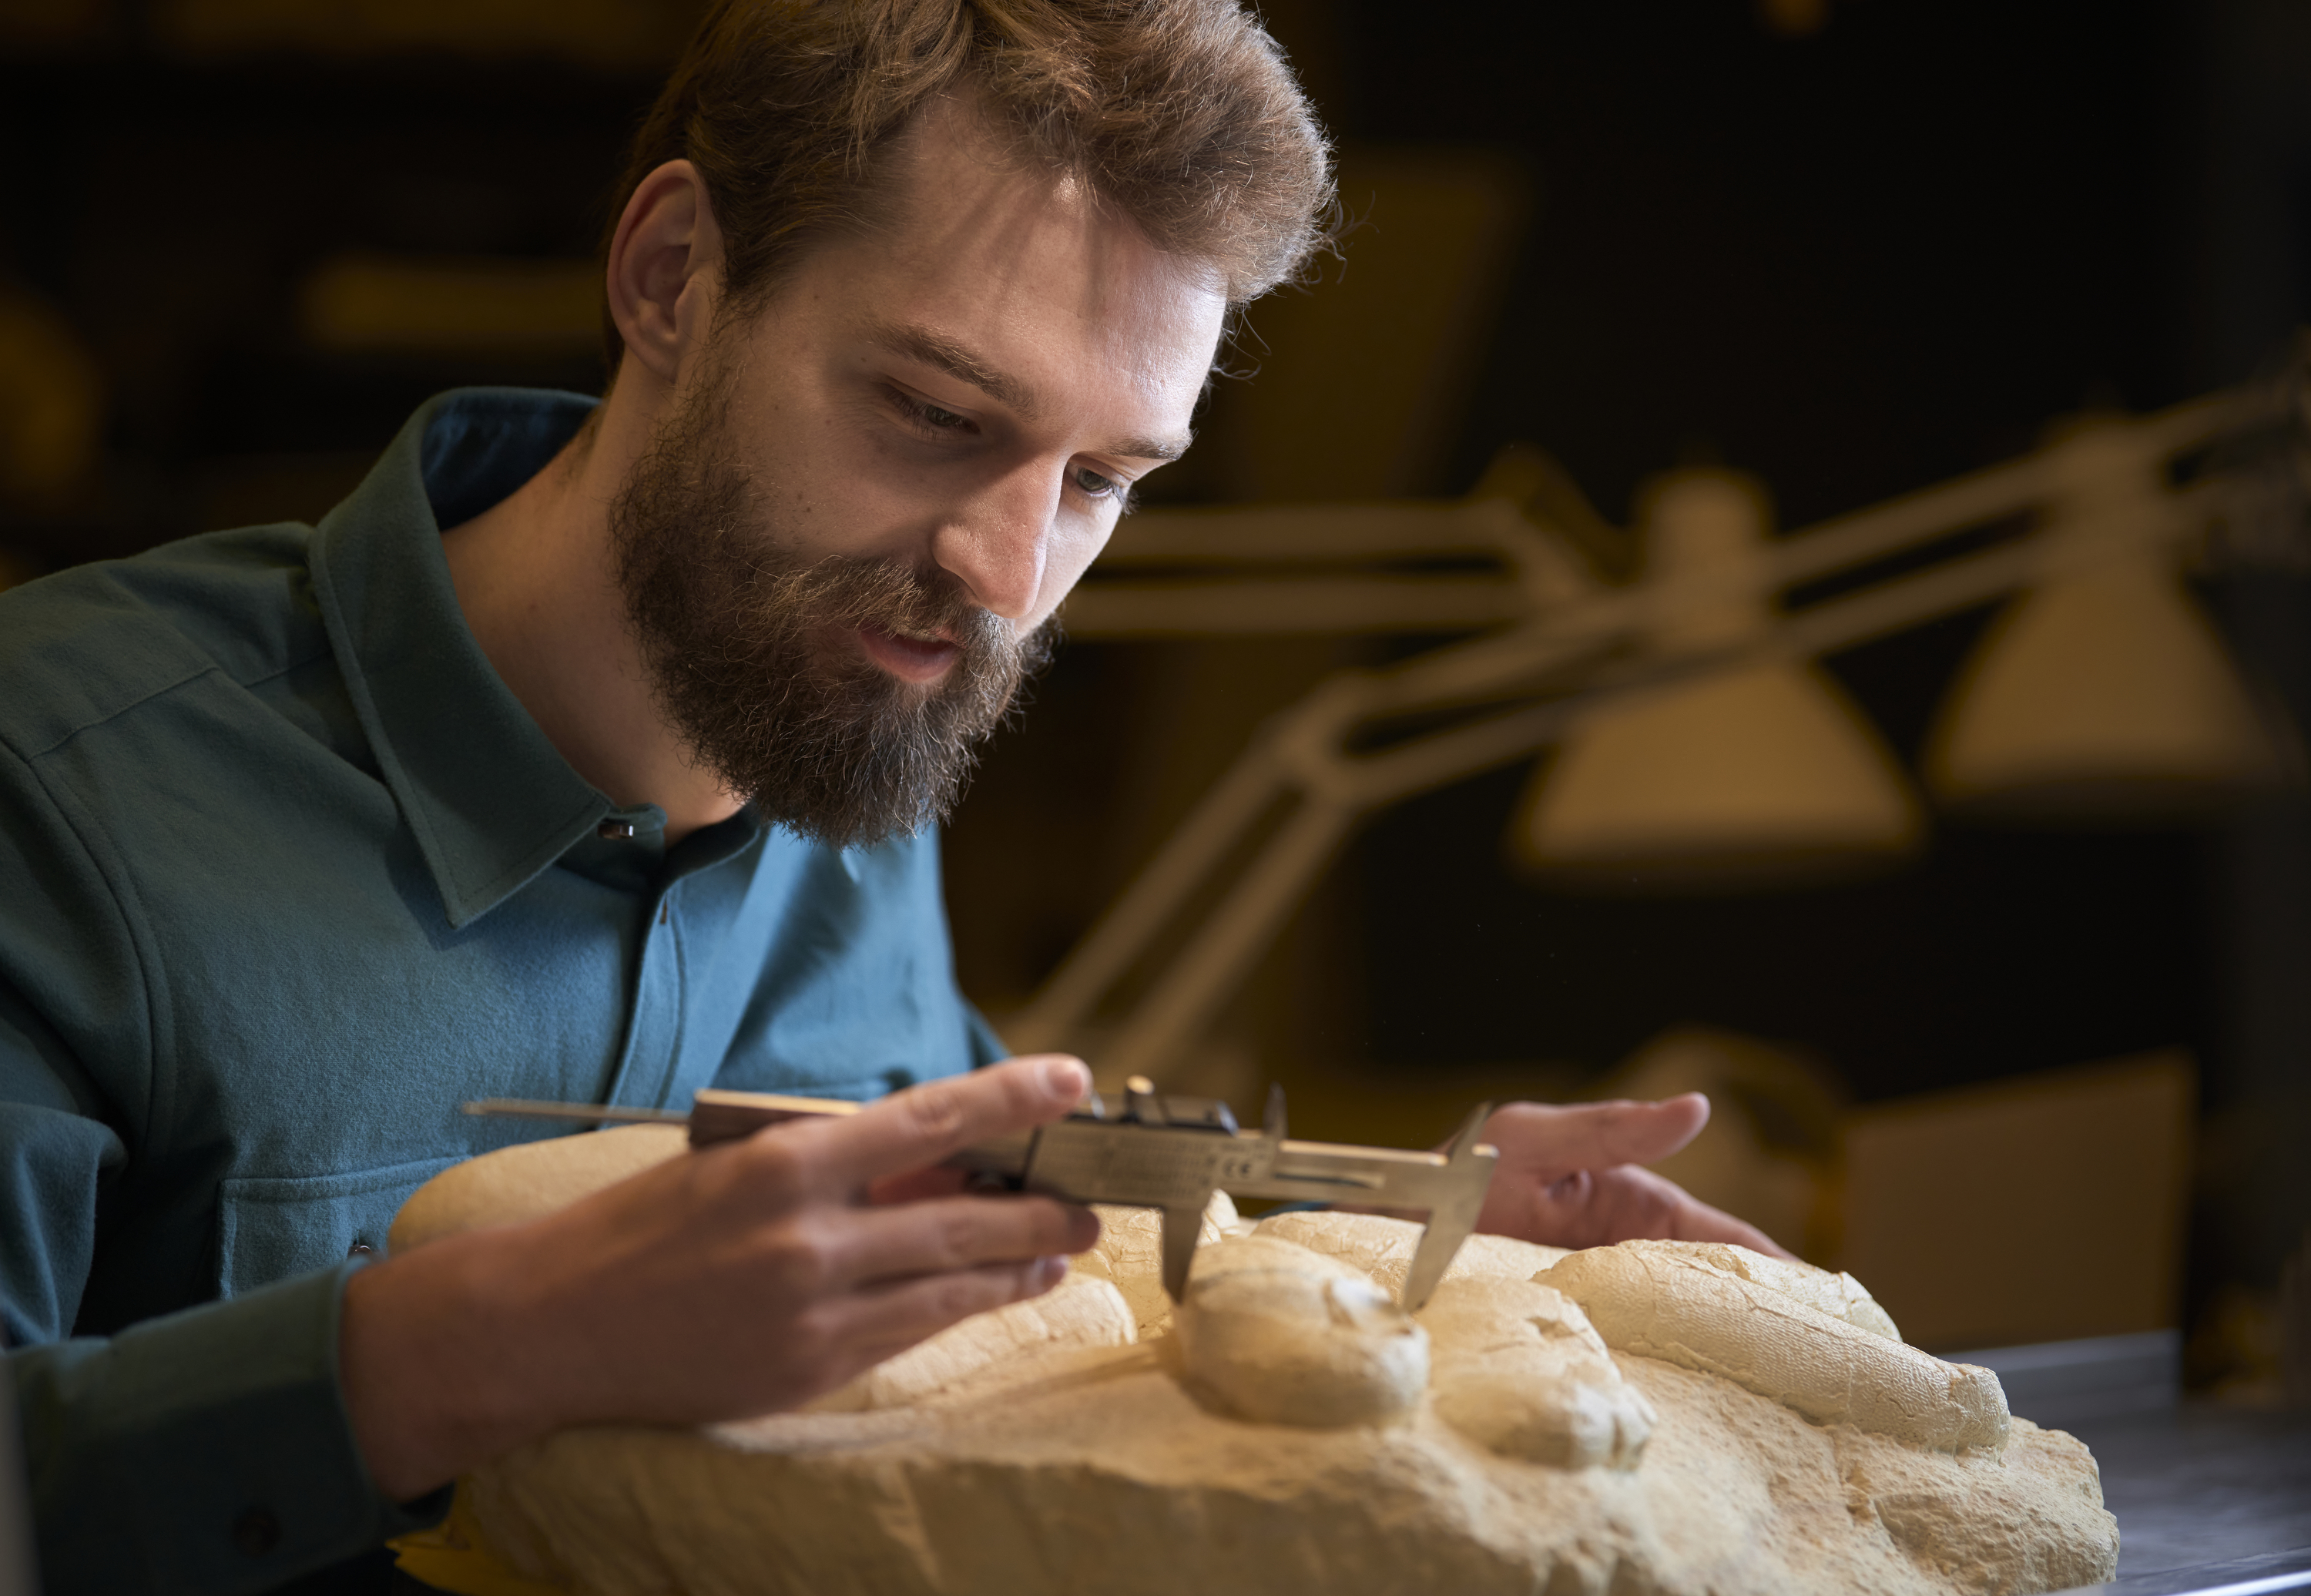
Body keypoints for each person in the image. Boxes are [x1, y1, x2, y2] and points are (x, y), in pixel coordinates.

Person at [0, 2, 1784, 1590]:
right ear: (676, 276)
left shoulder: (847, 761)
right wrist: (467, 1350)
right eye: (937, 412)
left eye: (1097, 476)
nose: (1007, 573)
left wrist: (1401, 1206)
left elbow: (987, 1219)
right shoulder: (59, 791)